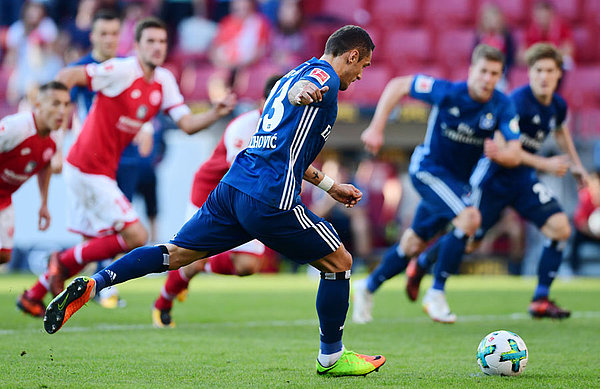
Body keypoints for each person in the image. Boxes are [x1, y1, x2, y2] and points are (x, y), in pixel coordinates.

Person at [44, 25, 386, 378]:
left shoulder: (291, 73)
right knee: (339, 262)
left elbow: (284, 145)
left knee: (174, 253)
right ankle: (331, 356)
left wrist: (330, 185)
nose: (362, 75)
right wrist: (305, 93)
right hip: (270, 196)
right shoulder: (320, 76)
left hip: (233, 188)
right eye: (364, 66)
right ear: (352, 55)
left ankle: (96, 283)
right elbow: (310, 87)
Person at [20, 17, 236, 317]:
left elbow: (186, 124)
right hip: (86, 167)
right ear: (136, 46)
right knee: (135, 235)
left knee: (93, 246)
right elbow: (69, 75)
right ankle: (62, 261)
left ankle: (34, 294)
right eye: (150, 41)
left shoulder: (164, 80)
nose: (157, 47)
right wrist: (54, 126)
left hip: (99, 170)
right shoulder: (121, 70)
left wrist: (215, 112)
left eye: (162, 41)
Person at [407, 43, 586, 320]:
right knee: (469, 240)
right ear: (529, 73)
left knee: (560, 228)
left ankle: (540, 298)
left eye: (550, 70)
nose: (544, 76)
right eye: (538, 70)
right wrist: (546, 164)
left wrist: (576, 165)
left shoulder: (557, 106)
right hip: (492, 181)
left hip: (523, 182)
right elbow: (504, 154)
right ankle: (424, 263)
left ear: (559, 74)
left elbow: (561, 131)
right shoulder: (514, 102)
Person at [353, 44, 522, 324]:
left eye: (494, 73)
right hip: (427, 171)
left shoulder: (502, 105)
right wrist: (376, 126)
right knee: (470, 219)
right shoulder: (448, 92)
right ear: (471, 71)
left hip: (455, 184)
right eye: (483, 71)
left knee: (411, 244)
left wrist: (501, 153)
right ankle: (436, 293)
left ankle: (367, 287)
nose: (487, 79)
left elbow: (515, 152)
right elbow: (398, 84)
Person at [152, 75, 281, 328]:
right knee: (190, 259)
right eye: (272, 100)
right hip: (210, 192)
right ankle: (162, 303)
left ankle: (198, 264)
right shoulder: (243, 126)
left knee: (247, 266)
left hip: (245, 198)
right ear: (262, 102)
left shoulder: (287, 129)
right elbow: (243, 173)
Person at [0, 82, 69, 273]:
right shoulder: (16, 128)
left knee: (4, 255)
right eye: (55, 104)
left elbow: (45, 163)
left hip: (5, 198)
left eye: (65, 104)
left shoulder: (56, 137)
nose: (62, 111)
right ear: (38, 105)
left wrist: (44, 203)